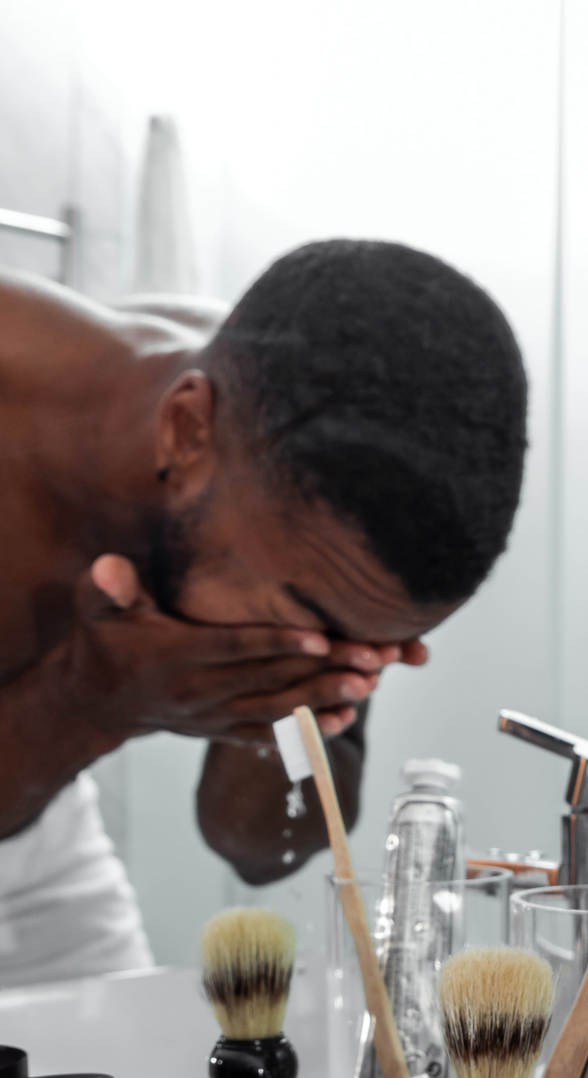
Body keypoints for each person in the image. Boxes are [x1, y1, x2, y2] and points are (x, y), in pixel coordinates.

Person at [0, 239, 526, 985]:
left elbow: (259, 844)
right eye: (317, 625)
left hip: (40, 830)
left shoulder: (317, 457)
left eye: (368, 647)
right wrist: (90, 703)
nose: (318, 652)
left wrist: (301, 700)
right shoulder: (260, 432)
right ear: (185, 433)